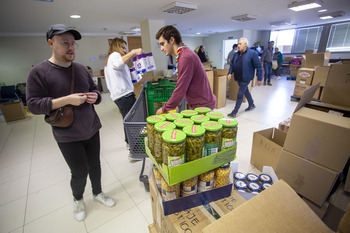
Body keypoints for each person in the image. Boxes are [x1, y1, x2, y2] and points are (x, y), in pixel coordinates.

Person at [26, 24, 116, 222]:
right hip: (67, 134)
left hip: (92, 128)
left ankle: (98, 193)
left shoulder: (81, 69)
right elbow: (32, 105)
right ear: (51, 43)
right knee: (79, 171)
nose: (71, 48)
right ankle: (77, 199)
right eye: (65, 43)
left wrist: (95, 97)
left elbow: (96, 92)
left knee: (95, 165)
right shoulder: (39, 72)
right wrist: (67, 99)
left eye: (73, 44)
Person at [155, 26, 216, 115]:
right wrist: (173, 103)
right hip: (199, 104)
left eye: (162, 44)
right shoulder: (183, 54)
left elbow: (180, 88)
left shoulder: (185, 57)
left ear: (172, 40)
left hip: (203, 107)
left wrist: (165, 108)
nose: (161, 48)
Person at [104, 37, 143, 149]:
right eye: (123, 48)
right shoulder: (114, 56)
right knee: (132, 120)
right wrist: (134, 52)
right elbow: (118, 64)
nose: (125, 50)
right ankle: (134, 146)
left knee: (128, 119)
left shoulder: (110, 59)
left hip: (120, 95)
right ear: (116, 47)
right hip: (124, 95)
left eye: (126, 48)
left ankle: (129, 142)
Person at [227, 37, 263, 118]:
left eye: (240, 44)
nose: (238, 45)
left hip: (246, 77)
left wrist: (259, 78)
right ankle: (251, 104)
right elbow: (232, 65)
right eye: (238, 44)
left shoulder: (252, 53)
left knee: (240, 94)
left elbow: (259, 66)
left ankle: (234, 112)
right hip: (238, 77)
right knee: (245, 90)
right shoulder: (236, 54)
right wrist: (229, 73)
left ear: (245, 44)